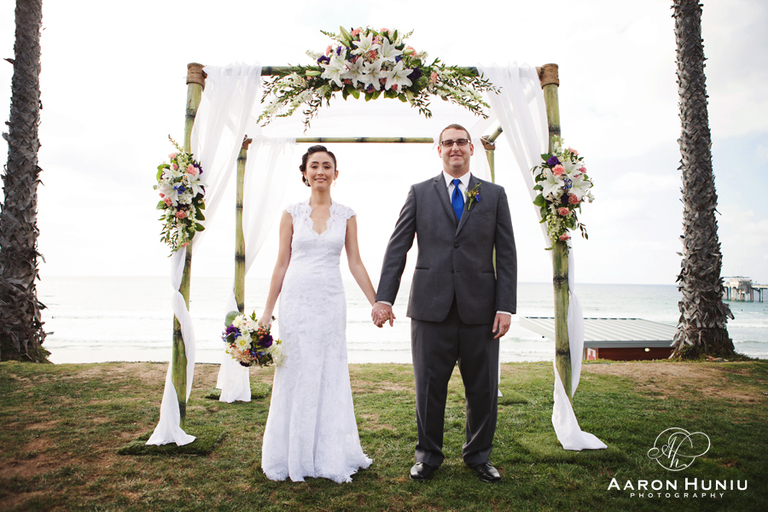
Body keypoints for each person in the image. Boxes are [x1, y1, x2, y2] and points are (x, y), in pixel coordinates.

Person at [372, 124, 517, 483]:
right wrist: (384, 297)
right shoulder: (420, 193)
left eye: (461, 142)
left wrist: (505, 306)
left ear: (471, 149)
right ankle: (428, 456)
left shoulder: (494, 194)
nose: (455, 148)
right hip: (429, 308)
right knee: (428, 388)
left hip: (481, 311)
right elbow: (398, 246)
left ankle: (478, 456)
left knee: (482, 389)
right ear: (439, 150)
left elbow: (507, 253)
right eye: (448, 142)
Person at [259, 145, 375, 483]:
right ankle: (291, 454)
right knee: (295, 371)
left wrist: (375, 301)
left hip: (330, 301)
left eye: (327, 166)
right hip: (296, 301)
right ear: (305, 173)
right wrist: (267, 312)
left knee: (328, 370)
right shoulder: (291, 213)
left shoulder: (347, 215)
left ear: (335, 175)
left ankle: (329, 453)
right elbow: (281, 263)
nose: (320, 171)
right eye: (314, 166)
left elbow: (355, 262)